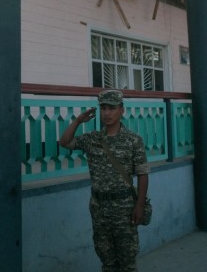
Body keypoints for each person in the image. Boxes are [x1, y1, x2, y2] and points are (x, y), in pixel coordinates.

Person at [59, 89, 150, 272]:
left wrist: (139, 205)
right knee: (107, 262)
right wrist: (78, 121)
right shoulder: (93, 138)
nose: (107, 113)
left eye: (112, 108)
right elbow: (65, 142)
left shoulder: (133, 140)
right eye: (104, 108)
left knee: (127, 263)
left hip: (124, 208)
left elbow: (143, 174)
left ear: (122, 110)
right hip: (99, 208)